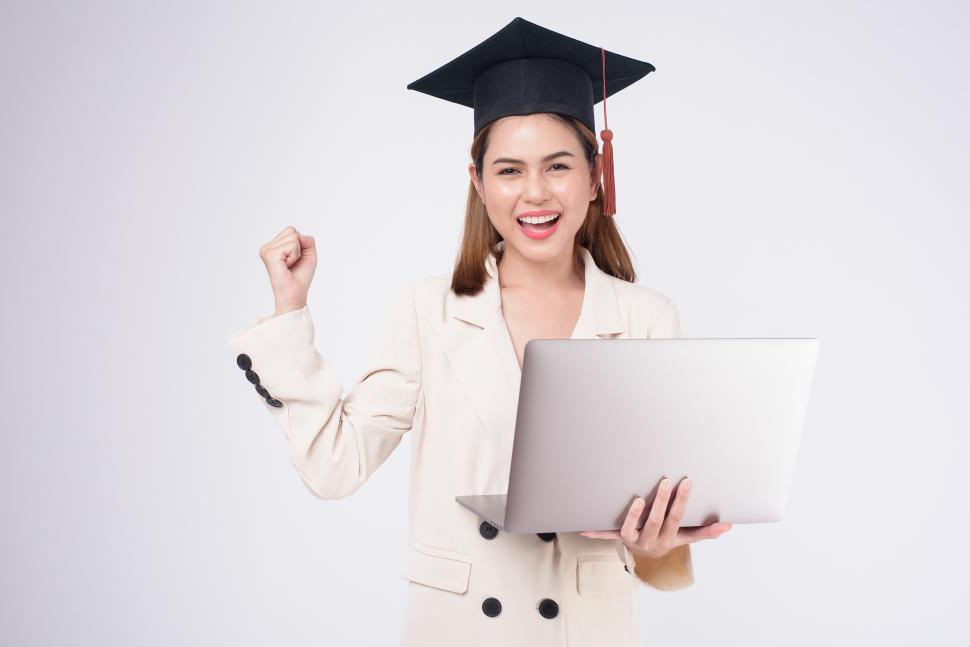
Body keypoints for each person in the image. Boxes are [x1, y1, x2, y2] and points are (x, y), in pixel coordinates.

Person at [226, 17, 731, 647]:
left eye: (558, 166)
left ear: (595, 175)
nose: (536, 193)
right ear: (478, 181)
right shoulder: (427, 309)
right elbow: (335, 466)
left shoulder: (648, 318)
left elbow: (654, 523)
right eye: (510, 170)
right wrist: (288, 313)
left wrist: (657, 543)